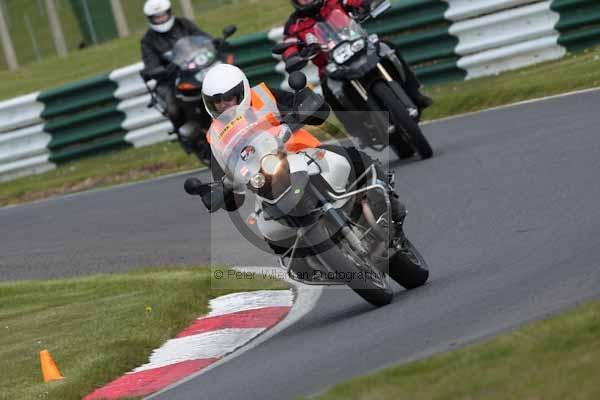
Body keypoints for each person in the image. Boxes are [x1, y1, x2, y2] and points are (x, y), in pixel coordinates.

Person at [188, 64, 408, 259]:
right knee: (271, 235)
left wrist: (307, 104)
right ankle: (308, 264)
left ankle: (389, 198)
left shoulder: (264, 95)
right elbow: (228, 186)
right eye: (217, 102)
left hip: (304, 152)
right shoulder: (214, 137)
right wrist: (217, 192)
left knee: (353, 159)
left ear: (241, 91)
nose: (224, 105)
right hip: (265, 183)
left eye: (228, 98)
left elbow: (310, 107)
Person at [281, 0, 432, 142]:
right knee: (328, 91)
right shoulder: (293, 24)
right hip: (330, 64)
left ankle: (414, 93)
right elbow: (289, 44)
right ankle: (357, 131)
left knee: (389, 48)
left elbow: (354, 1)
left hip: (360, 47)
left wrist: (364, 4)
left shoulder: (334, 1)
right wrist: (293, 56)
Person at [140, 0, 212, 131]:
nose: (161, 19)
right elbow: (151, 64)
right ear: (151, 19)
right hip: (169, 79)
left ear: (169, 12)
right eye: (157, 17)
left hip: (195, 69)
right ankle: (184, 132)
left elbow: (203, 37)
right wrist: (157, 70)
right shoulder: (148, 40)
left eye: (163, 15)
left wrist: (213, 43)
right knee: (173, 109)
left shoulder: (183, 24)